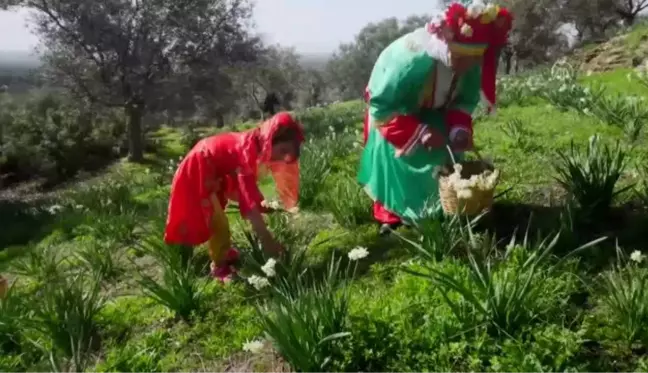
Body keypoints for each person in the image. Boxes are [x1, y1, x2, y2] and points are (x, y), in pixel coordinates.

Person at [358, 1, 512, 235]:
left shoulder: (469, 64)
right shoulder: (409, 62)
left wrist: (459, 130)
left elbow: (464, 100)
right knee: (398, 156)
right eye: (460, 58)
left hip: (433, 111)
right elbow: (383, 108)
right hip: (395, 112)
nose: (466, 65)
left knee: (446, 155)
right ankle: (394, 211)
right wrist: (420, 132)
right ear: (445, 48)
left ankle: (439, 207)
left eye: (473, 60)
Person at [164, 112, 303, 281]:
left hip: (212, 170)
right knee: (218, 222)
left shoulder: (255, 145)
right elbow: (248, 202)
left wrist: (265, 206)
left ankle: (223, 252)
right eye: (282, 151)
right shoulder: (247, 152)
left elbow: (249, 192)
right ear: (271, 140)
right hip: (198, 168)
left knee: (218, 216)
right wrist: (266, 240)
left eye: (287, 155)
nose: (283, 158)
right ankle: (219, 266)